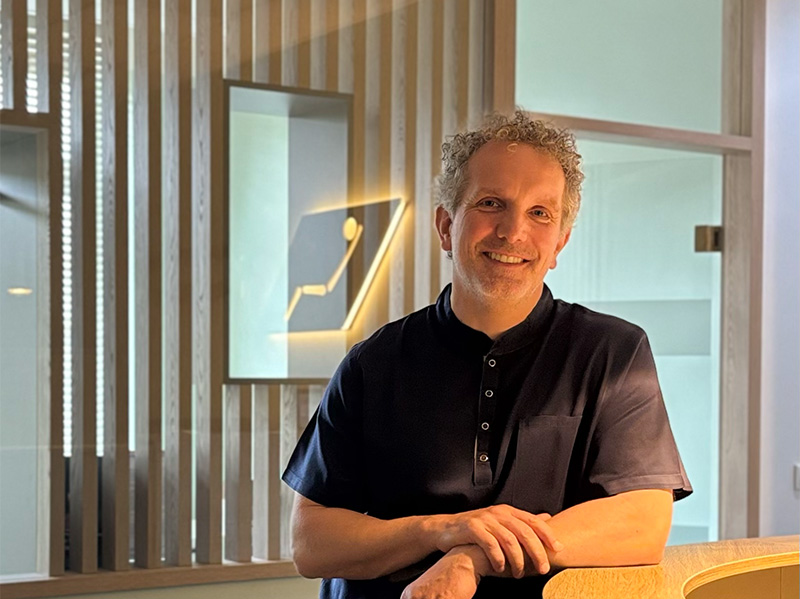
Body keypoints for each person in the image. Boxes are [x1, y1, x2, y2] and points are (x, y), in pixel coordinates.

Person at [282, 111, 692, 599]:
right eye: (491, 203)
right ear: (445, 225)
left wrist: (470, 555)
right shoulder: (372, 364)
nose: (513, 232)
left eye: (540, 213)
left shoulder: (613, 352)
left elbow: (642, 521)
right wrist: (439, 530)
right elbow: (311, 543)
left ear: (559, 243)